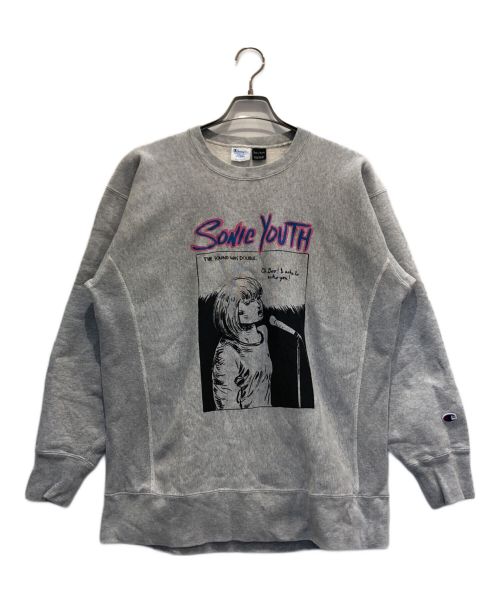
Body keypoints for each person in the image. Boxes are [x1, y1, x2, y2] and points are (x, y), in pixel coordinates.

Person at [211, 275, 273, 410]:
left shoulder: (263, 332)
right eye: (248, 302)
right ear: (232, 311)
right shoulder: (227, 352)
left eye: (257, 298)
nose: (258, 304)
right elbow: (226, 406)